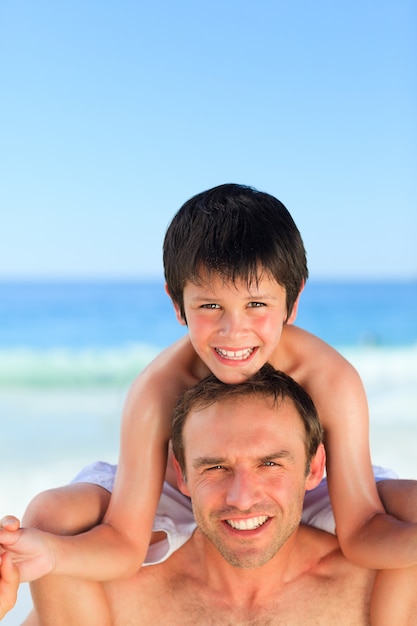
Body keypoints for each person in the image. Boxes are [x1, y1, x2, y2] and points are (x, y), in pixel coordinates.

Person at [1, 184, 417, 624]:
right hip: (188, 490)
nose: (232, 331)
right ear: (177, 303)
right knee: (50, 515)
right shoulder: (158, 389)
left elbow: (362, 529)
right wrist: (50, 550)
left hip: (300, 488)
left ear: (292, 301)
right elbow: (124, 541)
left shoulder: (330, 379)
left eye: (256, 304)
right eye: (210, 305)